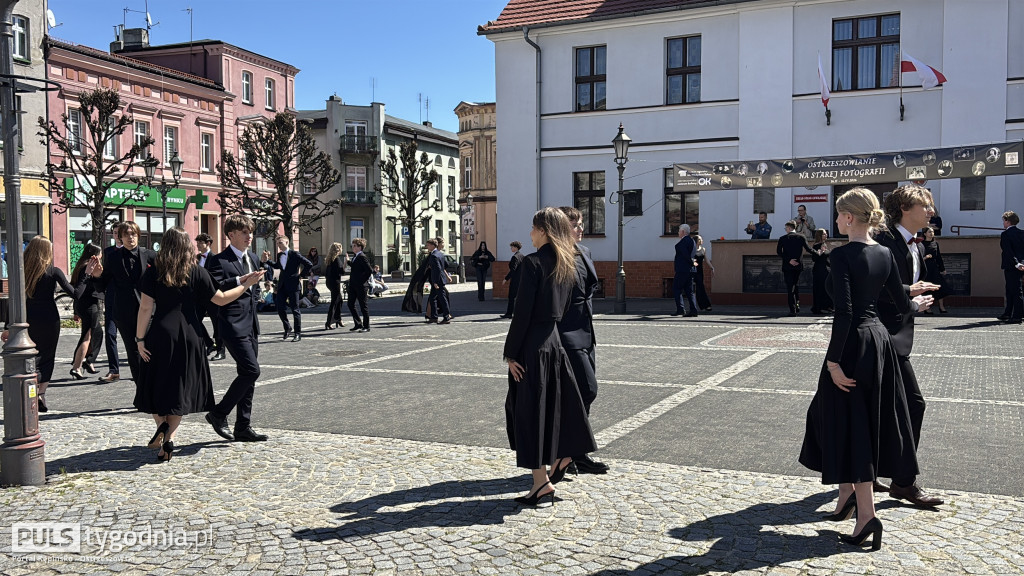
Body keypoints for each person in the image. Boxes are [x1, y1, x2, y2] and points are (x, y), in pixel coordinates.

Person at [799, 187, 926, 551]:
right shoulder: (885, 253)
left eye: (839, 214)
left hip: (853, 345)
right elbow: (901, 304)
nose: (836, 220)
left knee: (848, 423)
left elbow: (846, 312)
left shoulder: (842, 257)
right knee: (860, 422)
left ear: (850, 217)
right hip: (880, 343)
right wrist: (918, 302)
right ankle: (848, 500)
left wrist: (834, 361)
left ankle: (866, 515)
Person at [135, 227, 264, 461]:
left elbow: (145, 308)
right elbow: (222, 299)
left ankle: (161, 426)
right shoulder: (196, 271)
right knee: (180, 390)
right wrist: (246, 285)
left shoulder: (153, 272)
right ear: (187, 246)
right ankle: (170, 439)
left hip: (160, 333)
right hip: (190, 335)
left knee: (156, 385)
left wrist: (139, 339)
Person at [504, 207, 597, 506]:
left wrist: (510, 353)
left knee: (530, 413)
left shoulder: (531, 264)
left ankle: (541, 483)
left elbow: (522, 314)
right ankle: (561, 455)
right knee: (553, 408)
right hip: (554, 342)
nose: (529, 234)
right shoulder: (568, 263)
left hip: (532, 346)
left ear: (543, 231)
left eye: (533, 228)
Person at [873, 184, 944, 507]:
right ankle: (903, 481)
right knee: (914, 404)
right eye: (925, 205)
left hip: (899, 333)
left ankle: (868, 471)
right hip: (880, 334)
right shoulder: (886, 240)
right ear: (905, 208)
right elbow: (872, 281)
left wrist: (917, 298)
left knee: (879, 407)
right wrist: (910, 292)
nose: (931, 211)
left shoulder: (916, 244)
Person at [204, 214, 271, 443]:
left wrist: (257, 290)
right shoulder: (218, 260)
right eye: (244, 232)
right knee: (252, 370)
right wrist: (242, 280)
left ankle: (243, 425)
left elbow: (253, 288)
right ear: (231, 235)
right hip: (231, 325)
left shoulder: (252, 256)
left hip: (251, 323)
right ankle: (218, 413)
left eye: (251, 232)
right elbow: (215, 288)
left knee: (248, 375)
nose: (249, 236)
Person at [557, 205, 609, 475]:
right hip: (565, 336)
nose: (581, 229)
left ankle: (577, 453)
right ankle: (564, 453)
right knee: (586, 390)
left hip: (587, 333)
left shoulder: (585, 252)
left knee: (583, 395)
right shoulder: (552, 258)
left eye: (581, 224)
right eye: (575, 225)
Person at [23, 237, 77, 412]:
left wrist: (8, 326)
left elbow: (14, 300)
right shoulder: (53, 271)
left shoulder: (22, 271)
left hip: (28, 318)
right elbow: (75, 293)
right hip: (49, 318)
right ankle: (41, 393)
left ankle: (30, 391)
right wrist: (87, 277)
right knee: (47, 356)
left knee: (30, 355)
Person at [99, 221, 156, 383]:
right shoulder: (113, 257)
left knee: (150, 350)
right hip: (124, 312)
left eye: (133, 234)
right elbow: (103, 284)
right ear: (120, 238)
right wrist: (96, 276)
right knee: (133, 353)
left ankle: (153, 387)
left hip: (149, 311)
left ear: (138, 235)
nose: (130, 237)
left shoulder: (150, 255)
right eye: (126, 235)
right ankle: (141, 391)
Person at [262, 235, 313, 342]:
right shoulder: (280, 254)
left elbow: (308, 264)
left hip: (293, 285)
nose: (278, 245)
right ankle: (287, 327)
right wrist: (267, 261)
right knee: (280, 308)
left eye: (280, 242)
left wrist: (301, 275)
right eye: (277, 243)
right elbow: (277, 266)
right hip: (282, 285)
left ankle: (297, 333)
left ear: (286, 242)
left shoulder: (294, 254)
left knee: (295, 309)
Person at [70, 245, 104, 380]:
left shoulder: (80, 265)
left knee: (98, 333)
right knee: (87, 336)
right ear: (95, 255)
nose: (101, 257)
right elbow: (93, 285)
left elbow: (77, 288)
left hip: (82, 304)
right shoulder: (88, 267)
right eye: (100, 254)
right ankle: (77, 367)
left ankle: (88, 361)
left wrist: (75, 310)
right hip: (89, 304)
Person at [100, 221, 123, 382]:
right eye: (114, 232)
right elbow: (104, 277)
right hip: (111, 298)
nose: (116, 235)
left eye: (118, 232)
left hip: (129, 301)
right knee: (109, 334)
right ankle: (113, 370)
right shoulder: (108, 252)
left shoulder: (138, 253)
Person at [195, 233, 223, 360]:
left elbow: (217, 279)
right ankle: (209, 343)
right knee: (194, 320)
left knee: (217, 323)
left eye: (201, 243)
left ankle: (221, 350)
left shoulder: (215, 258)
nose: (198, 245)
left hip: (212, 296)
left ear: (208, 244)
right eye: (197, 242)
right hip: (199, 297)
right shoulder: (196, 258)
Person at [776, 221, 814, 316]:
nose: (785, 230)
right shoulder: (801, 237)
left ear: (789, 228)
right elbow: (808, 249)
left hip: (787, 266)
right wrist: (818, 252)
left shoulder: (783, 239)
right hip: (798, 265)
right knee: (795, 285)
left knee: (790, 287)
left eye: (786, 228)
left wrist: (789, 260)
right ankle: (797, 304)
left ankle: (793, 309)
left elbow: (779, 252)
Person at [999, 211, 1024, 323]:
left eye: (1004, 221)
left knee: (1014, 290)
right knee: (1012, 289)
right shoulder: (1021, 233)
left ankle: (1017, 315)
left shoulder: (1005, 234)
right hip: (1021, 265)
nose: (1003, 223)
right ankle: (1008, 313)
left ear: (1008, 221)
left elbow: (1008, 251)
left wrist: (1016, 263)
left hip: (1011, 265)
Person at [920, 227, 948, 314]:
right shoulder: (921, 244)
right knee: (927, 288)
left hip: (934, 267)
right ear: (925, 234)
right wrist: (925, 257)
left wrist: (942, 269)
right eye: (929, 232)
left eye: (932, 232)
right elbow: (917, 258)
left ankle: (941, 307)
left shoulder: (935, 243)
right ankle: (927, 308)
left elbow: (939, 257)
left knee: (939, 286)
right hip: (925, 268)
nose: (932, 233)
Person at [672, 225, 699, 317]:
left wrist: (691, 263)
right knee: (689, 291)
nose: (678, 233)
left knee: (677, 288)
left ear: (683, 231)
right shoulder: (692, 241)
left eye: (679, 231)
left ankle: (680, 309)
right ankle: (693, 310)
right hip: (690, 270)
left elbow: (685, 255)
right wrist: (692, 264)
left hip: (683, 269)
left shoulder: (684, 242)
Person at [347, 237, 373, 332]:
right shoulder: (355, 256)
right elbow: (356, 268)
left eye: (354, 246)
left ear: (360, 247)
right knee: (350, 304)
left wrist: (362, 280)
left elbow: (369, 270)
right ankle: (358, 323)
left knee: (363, 306)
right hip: (353, 285)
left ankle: (366, 326)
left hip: (361, 285)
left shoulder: (362, 256)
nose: (353, 247)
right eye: (352, 245)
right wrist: (349, 262)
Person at [426, 238, 452, 324]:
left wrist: (435, 282)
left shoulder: (434, 255)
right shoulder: (440, 254)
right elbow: (442, 266)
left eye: (428, 245)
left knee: (442, 298)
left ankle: (446, 316)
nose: (427, 247)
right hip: (440, 279)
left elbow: (437, 269)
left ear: (433, 245)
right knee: (433, 298)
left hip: (438, 280)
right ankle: (434, 317)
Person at [810, 229, 834, 314]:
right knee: (821, 288)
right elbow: (814, 258)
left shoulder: (824, 244)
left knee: (827, 288)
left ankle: (828, 306)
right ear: (819, 235)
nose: (826, 235)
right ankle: (820, 307)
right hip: (819, 270)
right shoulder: (817, 245)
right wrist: (821, 252)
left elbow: (825, 259)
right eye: (824, 234)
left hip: (825, 268)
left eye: (826, 234)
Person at [324, 242, 347, 329]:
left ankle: (338, 319)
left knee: (339, 300)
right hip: (335, 282)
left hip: (329, 282)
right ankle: (329, 322)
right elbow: (342, 272)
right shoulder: (336, 259)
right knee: (334, 302)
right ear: (339, 250)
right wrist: (345, 262)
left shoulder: (329, 259)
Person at [501, 241, 526, 319]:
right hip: (521, 280)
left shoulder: (515, 257)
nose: (511, 248)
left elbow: (513, 270)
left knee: (511, 297)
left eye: (512, 247)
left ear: (516, 247)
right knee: (519, 297)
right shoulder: (522, 256)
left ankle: (509, 313)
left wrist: (506, 279)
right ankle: (520, 313)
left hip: (515, 280)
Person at [694, 235, 714, 312]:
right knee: (697, 287)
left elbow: (707, 260)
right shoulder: (692, 249)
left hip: (700, 271)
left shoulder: (703, 249)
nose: (702, 240)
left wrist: (712, 267)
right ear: (697, 241)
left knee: (700, 287)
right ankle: (705, 305)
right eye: (700, 239)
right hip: (693, 270)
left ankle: (704, 305)